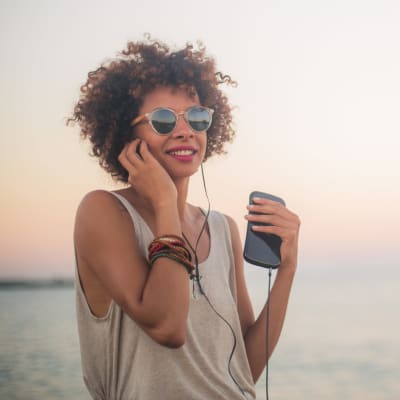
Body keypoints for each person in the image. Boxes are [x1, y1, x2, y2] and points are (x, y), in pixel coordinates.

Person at [68, 37, 300, 400]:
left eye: (196, 117)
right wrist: (165, 202)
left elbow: (243, 371)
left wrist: (287, 271)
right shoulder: (103, 212)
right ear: (127, 135)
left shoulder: (223, 229)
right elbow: (167, 326)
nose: (185, 130)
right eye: (162, 120)